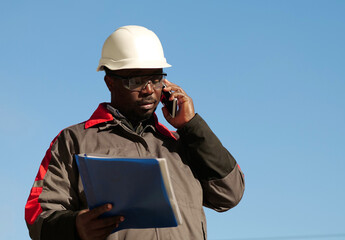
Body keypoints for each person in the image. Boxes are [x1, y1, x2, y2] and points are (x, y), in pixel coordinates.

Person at [25, 25, 245, 240]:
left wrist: (192, 126)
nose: (149, 90)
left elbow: (230, 194)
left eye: (156, 79)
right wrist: (75, 227)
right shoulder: (73, 141)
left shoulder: (184, 142)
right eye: (136, 81)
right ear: (109, 82)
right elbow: (38, 216)